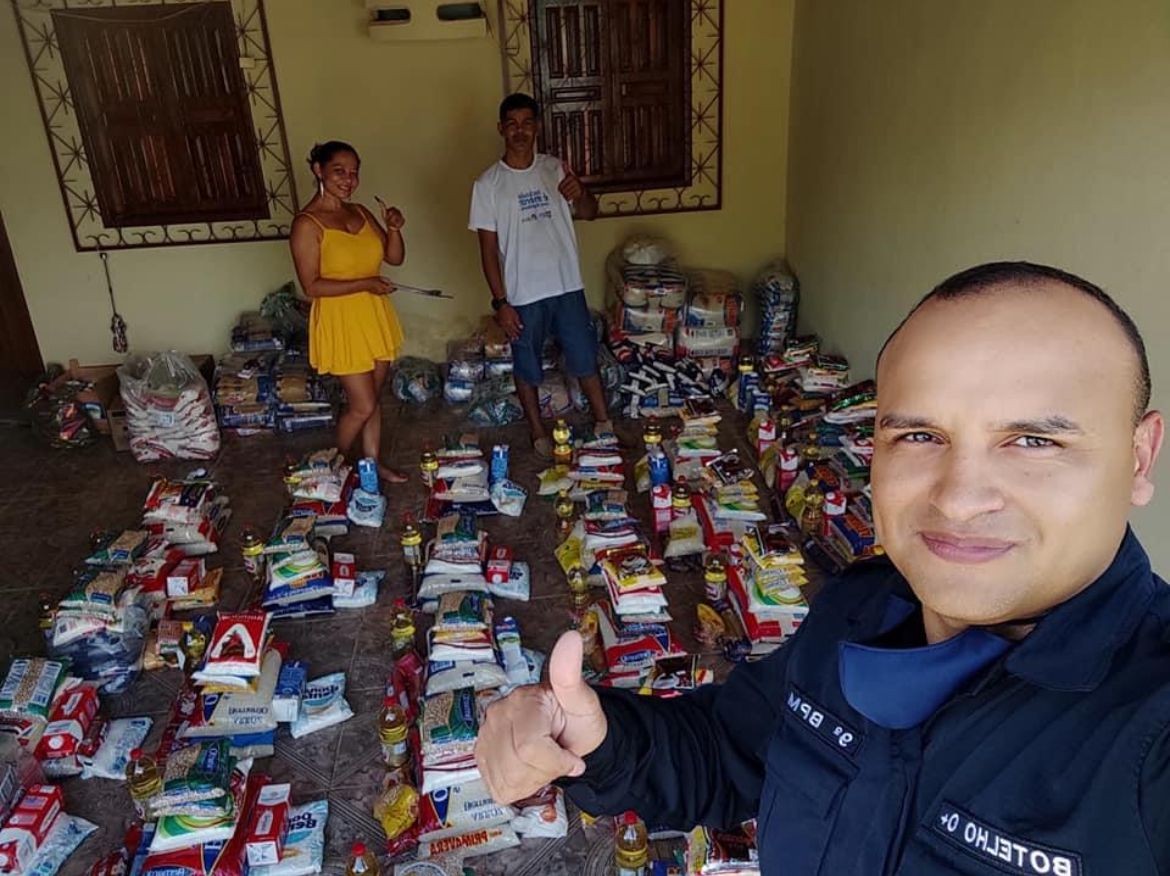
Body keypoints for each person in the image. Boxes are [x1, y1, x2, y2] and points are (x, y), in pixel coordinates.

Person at [476, 262, 1170, 874]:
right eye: (920, 435)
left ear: (1140, 456)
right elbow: (725, 749)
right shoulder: (859, 614)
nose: (958, 499)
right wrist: (596, 740)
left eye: (1033, 440)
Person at [469, 93, 613, 458]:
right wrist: (501, 302)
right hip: (523, 293)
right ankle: (537, 432)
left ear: (537, 127)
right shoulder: (488, 185)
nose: (520, 131)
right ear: (501, 128)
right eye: (512, 124)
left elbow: (590, 212)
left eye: (527, 123)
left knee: (584, 358)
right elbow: (486, 252)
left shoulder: (555, 168)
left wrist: (582, 192)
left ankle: (603, 425)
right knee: (527, 364)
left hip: (567, 285)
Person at [290, 141, 408, 483]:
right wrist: (365, 284)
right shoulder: (307, 224)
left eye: (354, 172)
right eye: (339, 171)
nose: (349, 179)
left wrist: (396, 228)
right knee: (362, 405)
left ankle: (371, 464)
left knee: (373, 399)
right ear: (318, 171)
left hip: (373, 316)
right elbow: (311, 286)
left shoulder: (360, 212)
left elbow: (394, 257)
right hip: (341, 321)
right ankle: (332, 469)